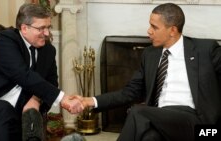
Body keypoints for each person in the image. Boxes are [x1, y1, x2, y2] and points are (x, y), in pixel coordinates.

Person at [71, 3, 221, 141]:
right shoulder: (150, 54)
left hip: (194, 121)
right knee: (149, 138)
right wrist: (89, 101)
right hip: (159, 117)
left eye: (154, 27)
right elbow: (130, 92)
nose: (149, 31)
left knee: (138, 111)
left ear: (172, 30)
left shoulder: (205, 50)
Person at [0, 3, 83, 141]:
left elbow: (52, 82)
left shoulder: (48, 50)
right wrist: (63, 98)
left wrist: (36, 99)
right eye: (41, 28)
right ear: (24, 28)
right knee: (4, 109)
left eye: (48, 27)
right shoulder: (5, 40)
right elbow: (22, 75)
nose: (47, 33)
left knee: (29, 117)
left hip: (19, 111)